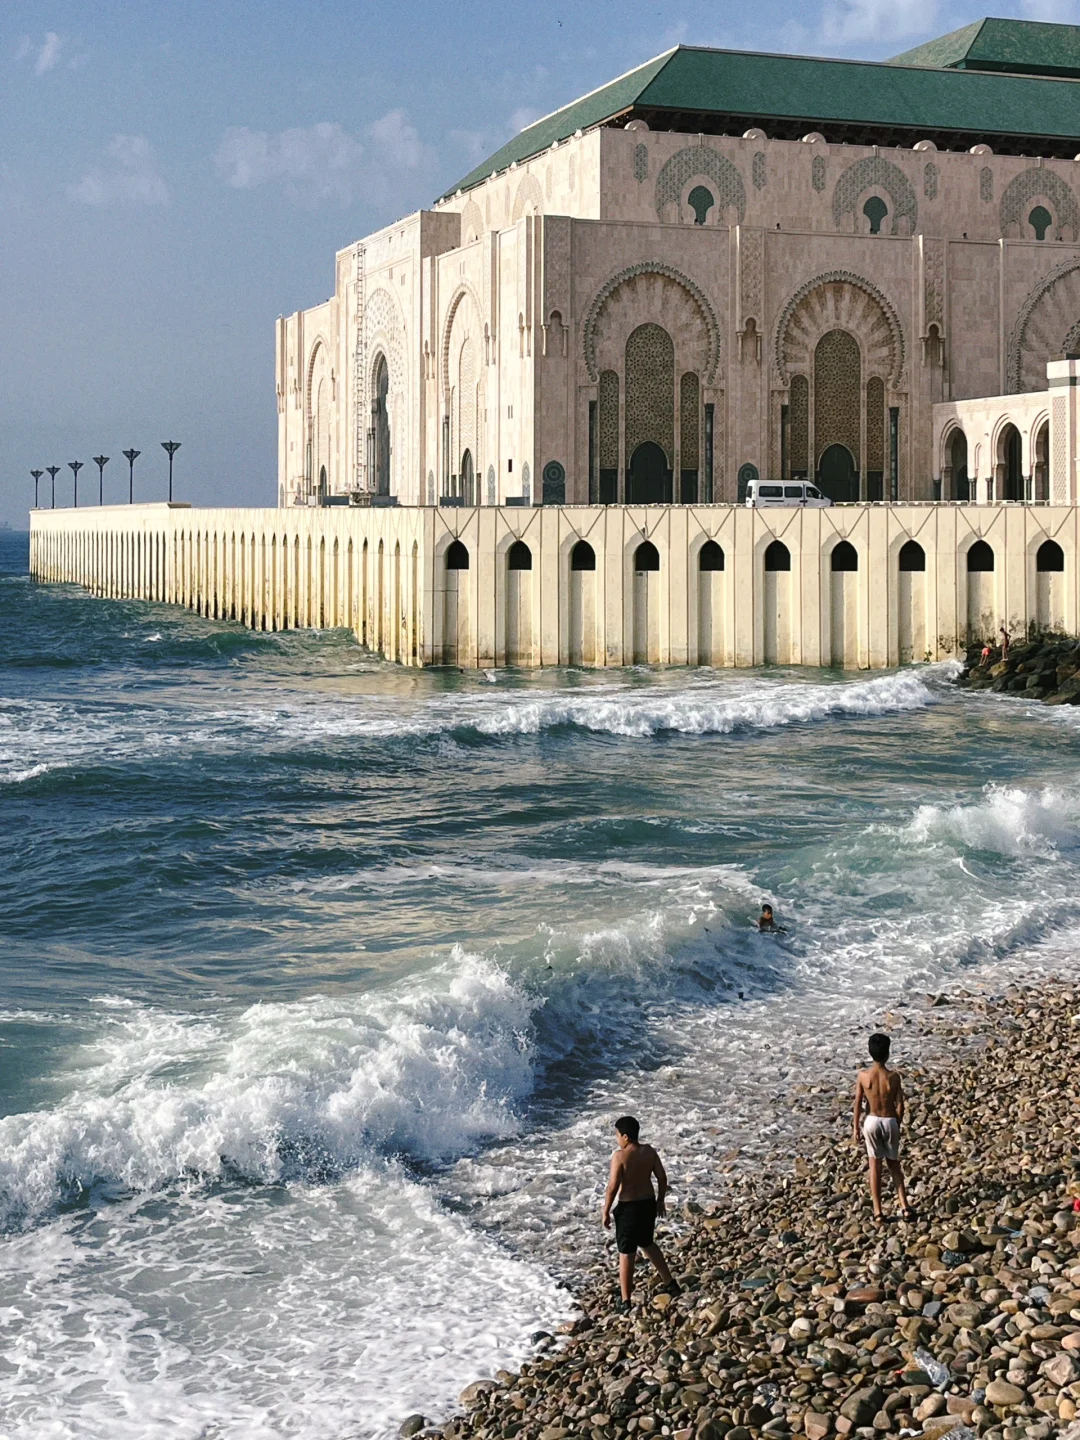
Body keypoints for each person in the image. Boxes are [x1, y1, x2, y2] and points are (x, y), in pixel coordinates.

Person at [601, 1116, 680, 1312]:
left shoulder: (620, 1156)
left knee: (626, 1253)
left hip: (628, 1208)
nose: (617, 1139)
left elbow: (613, 1186)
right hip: (647, 1205)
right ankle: (670, 1283)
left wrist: (606, 1210)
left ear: (625, 1137)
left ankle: (626, 1300)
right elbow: (662, 1177)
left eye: (617, 1136)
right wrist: (660, 1200)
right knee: (647, 1243)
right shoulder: (649, 1151)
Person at [852, 1033, 913, 1222]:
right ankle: (904, 1206)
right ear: (887, 1053)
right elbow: (900, 1104)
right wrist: (898, 1122)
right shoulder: (893, 1077)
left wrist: (855, 1127)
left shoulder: (863, 1076)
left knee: (874, 1167)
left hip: (871, 1121)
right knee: (894, 1164)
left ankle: (878, 1211)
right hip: (889, 1120)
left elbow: (858, 1102)